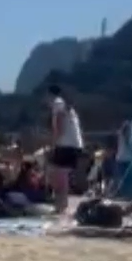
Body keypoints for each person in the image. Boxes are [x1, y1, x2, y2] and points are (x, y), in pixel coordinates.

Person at [46, 84, 85, 217]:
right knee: (60, 174)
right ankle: (62, 205)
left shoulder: (57, 103)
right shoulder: (65, 105)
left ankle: (60, 206)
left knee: (57, 173)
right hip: (74, 144)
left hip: (66, 144)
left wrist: (53, 144)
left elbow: (59, 126)